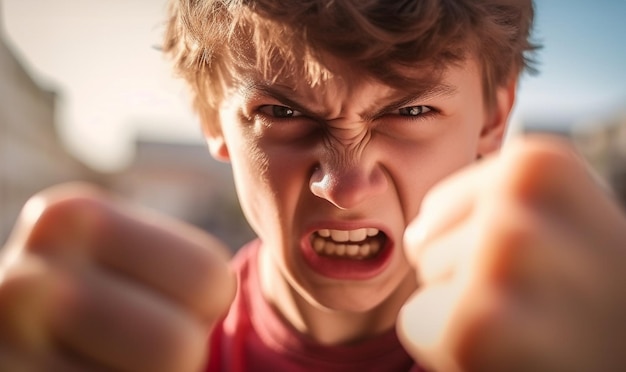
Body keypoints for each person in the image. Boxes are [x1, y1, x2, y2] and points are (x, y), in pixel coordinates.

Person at [1, 0, 626, 371]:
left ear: (494, 115)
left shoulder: (570, 347)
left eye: (409, 113)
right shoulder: (136, 352)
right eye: (282, 113)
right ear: (208, 119)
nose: (346, 186)